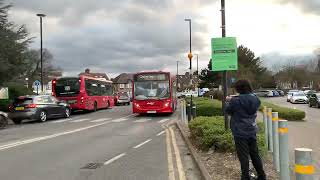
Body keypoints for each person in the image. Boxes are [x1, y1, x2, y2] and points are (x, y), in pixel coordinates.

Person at [225, 80, 266, 180]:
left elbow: (228, 111)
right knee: (255, 153)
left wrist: (227, 101)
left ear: (239, 88)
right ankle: (262, 175)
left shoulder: (235, 101)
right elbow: (247, 100)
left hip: (240, 131)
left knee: (243, 156)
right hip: (252, 129)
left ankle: (245, 177)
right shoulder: (256, 99)